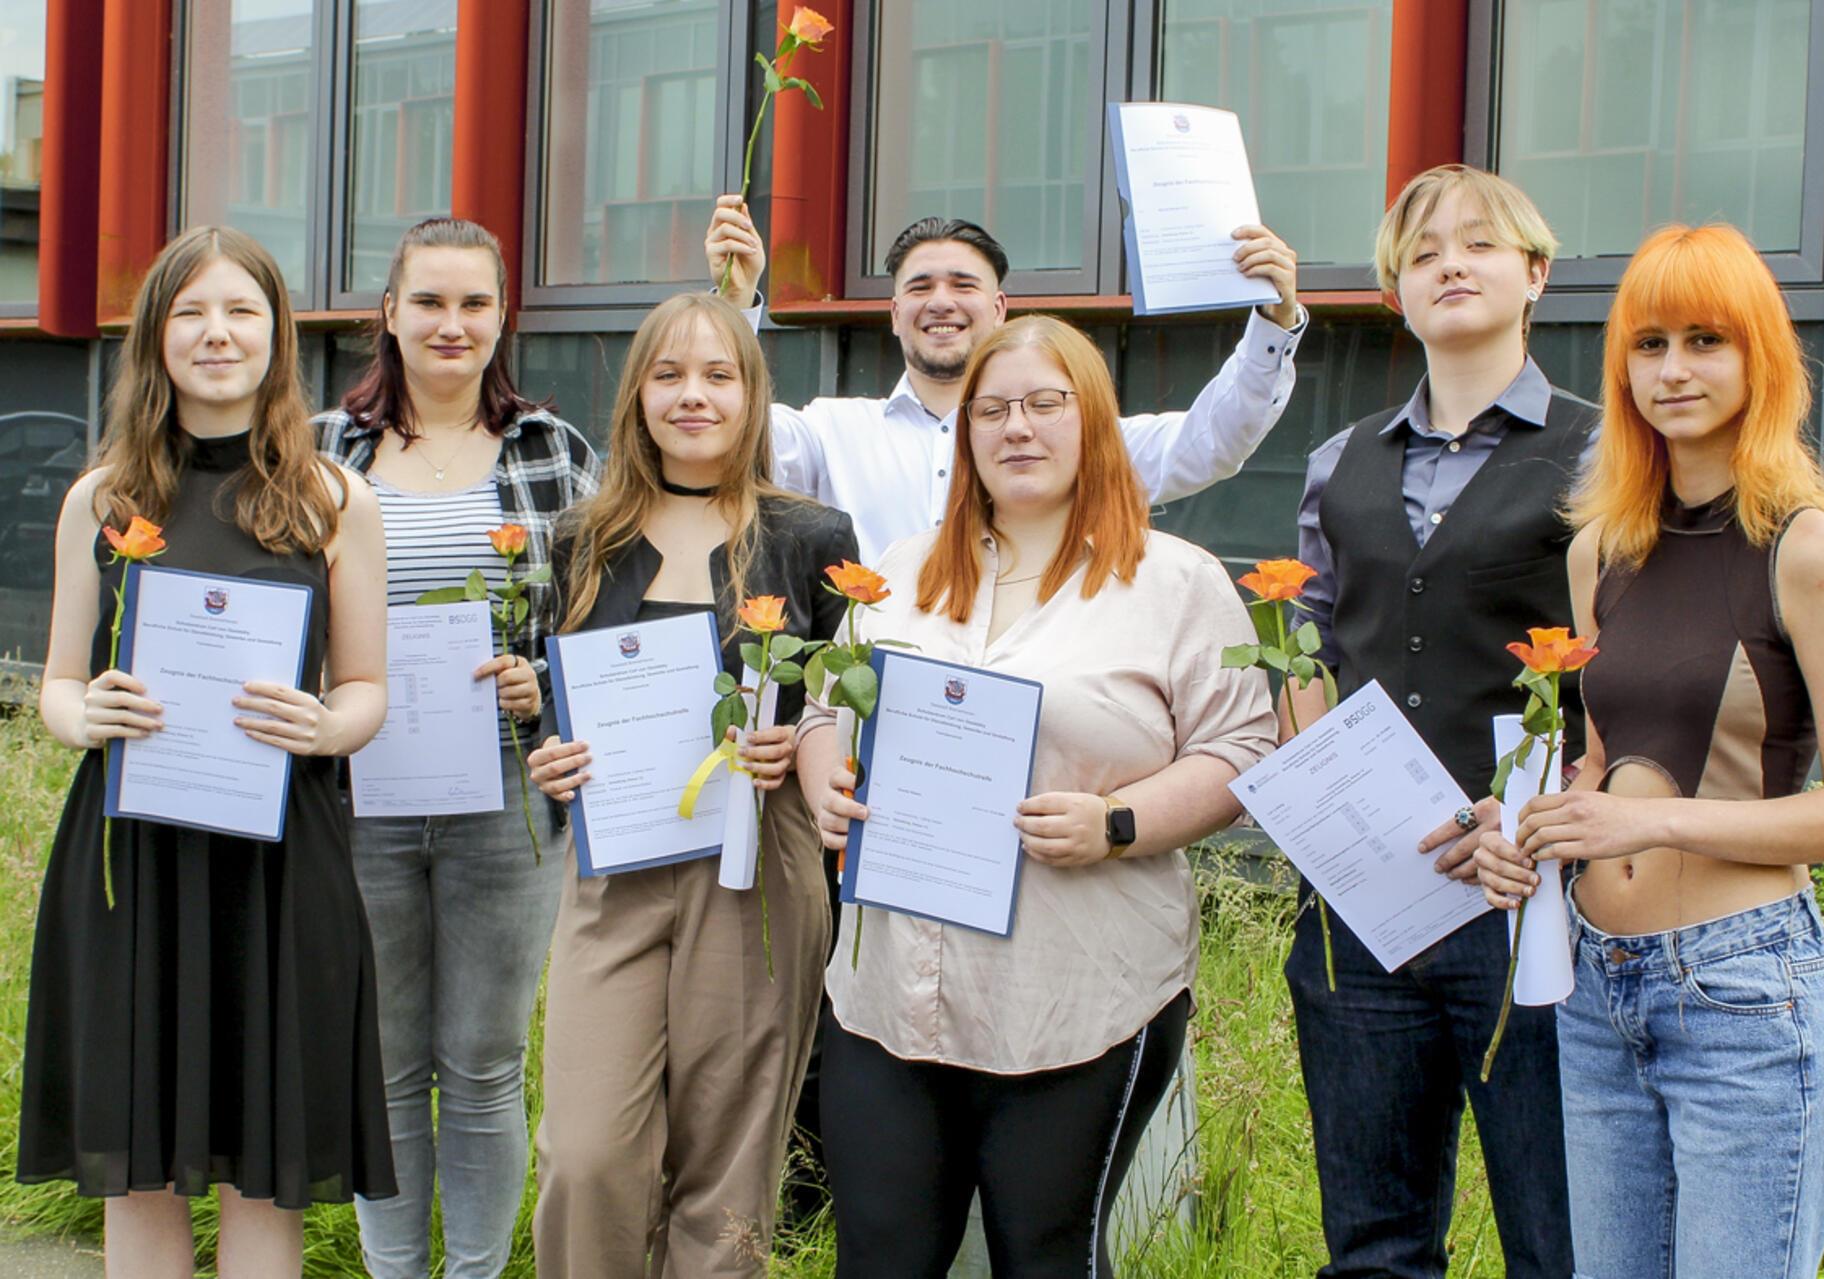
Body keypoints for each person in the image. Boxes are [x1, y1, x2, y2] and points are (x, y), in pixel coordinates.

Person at [799, 314, 1278, 1278]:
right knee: (879, 1259)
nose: (1017, 427)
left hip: (1077, 994)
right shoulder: (896, 569)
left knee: (1045, 1257)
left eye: (1045, 404)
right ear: (966, 431)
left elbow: (1241, 749)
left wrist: (1116, 824)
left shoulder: (1173, 581)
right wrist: (824, 782)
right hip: (889, 991)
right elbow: (823, 710)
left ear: (1091, 420)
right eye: (993, 408)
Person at [1472, 223, 1824, 1279]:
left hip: (1743, 996)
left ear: (1759, 355)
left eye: (1706, 340)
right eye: (1649, 343)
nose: (1673, 370)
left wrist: (1649, 818)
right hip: (1593, 993)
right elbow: (1600, 766)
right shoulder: (1599, 548)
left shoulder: (1806, 547)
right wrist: (1521, 827)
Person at [17, 226, 394, 1278]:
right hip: (131, 863)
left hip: (279, 861)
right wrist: (81, 711)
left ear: (278, 337)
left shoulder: (334, 499)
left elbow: (366, 686)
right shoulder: (100, 497)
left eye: (240, 312)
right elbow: (54, 681)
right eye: (190, 312)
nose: (216, 334)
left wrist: (327, 724)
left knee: (260, 1155)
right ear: (156, 336)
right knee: (136, 1156)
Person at [1282, 165, 1591, 1278]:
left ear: (1535, 273)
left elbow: (1627, 679)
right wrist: (1323, 810)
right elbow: (1305, 648)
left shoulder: (1603, 455)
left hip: (1535, 904)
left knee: (1557, 1239)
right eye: (1422, 255)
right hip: (1365, 907)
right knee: (1373, 1243)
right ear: (1396, 296)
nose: (1450, 265)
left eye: (1479, 244)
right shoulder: (1337, 462)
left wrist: (1544, 817)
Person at [524, 292, 858, 1279]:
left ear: (752, 393)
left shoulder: (811, 536)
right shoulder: (585, 536)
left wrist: (793, 744)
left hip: (758, 869)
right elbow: (561, 694)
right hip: (614, 874)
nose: (693, 395)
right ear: (637, 396)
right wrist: (550, 753)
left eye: (718, 373)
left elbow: (841, 702)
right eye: (669, 374)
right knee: (585, 1156)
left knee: (727, 1167)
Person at [313, 217, 600, 1279]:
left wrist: (545, 679)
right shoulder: (321, 449)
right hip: (355, 794)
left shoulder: (553, 451)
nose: (452, 323)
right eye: (428, 301)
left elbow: (600, 619)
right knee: (384, 1060)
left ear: (502, 316)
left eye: (474, 303)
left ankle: (472, 1273)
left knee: (482, 1062)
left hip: (507, 802)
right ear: (388, 313)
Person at [704, 195, 1305, 560]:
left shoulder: (1066, 434)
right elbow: (726, 436)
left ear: (998, 310)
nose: (941, 301)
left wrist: (1273, 319)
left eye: (963, 286)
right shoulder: (829, 432)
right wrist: (735, 306)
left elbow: (1211, 443)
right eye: (920, 288)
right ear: (894, 316)